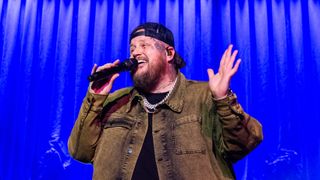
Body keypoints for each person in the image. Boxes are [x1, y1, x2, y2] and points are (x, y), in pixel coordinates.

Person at [68, 22, 263, 180]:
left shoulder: (204, 96)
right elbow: (80, 151)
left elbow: (244, 144)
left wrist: (222, 98)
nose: (135, 53)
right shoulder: (115, 102)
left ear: (169, 53)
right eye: (132, 48)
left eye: (144, 45)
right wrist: (96, 97)